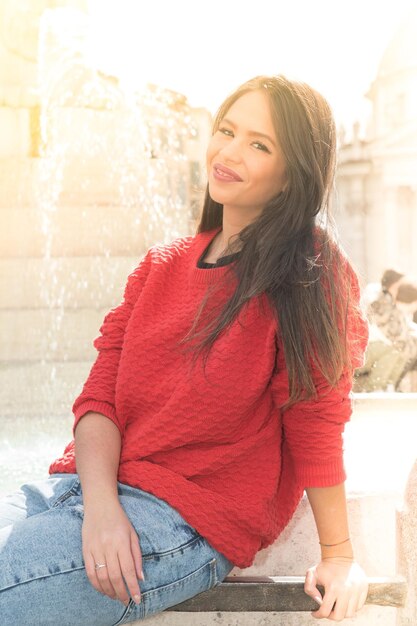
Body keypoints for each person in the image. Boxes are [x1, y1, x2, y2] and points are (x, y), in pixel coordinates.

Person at [0, 75, 369, 624]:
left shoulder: (310, 272)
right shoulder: (160, 265)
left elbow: (315, 417)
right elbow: (98, 400)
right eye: (227, 130)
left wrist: (339, 556)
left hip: (182, 523)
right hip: (83, 495)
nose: (230, 151)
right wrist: (100, 507)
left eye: (259, 144)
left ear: (293, 175)